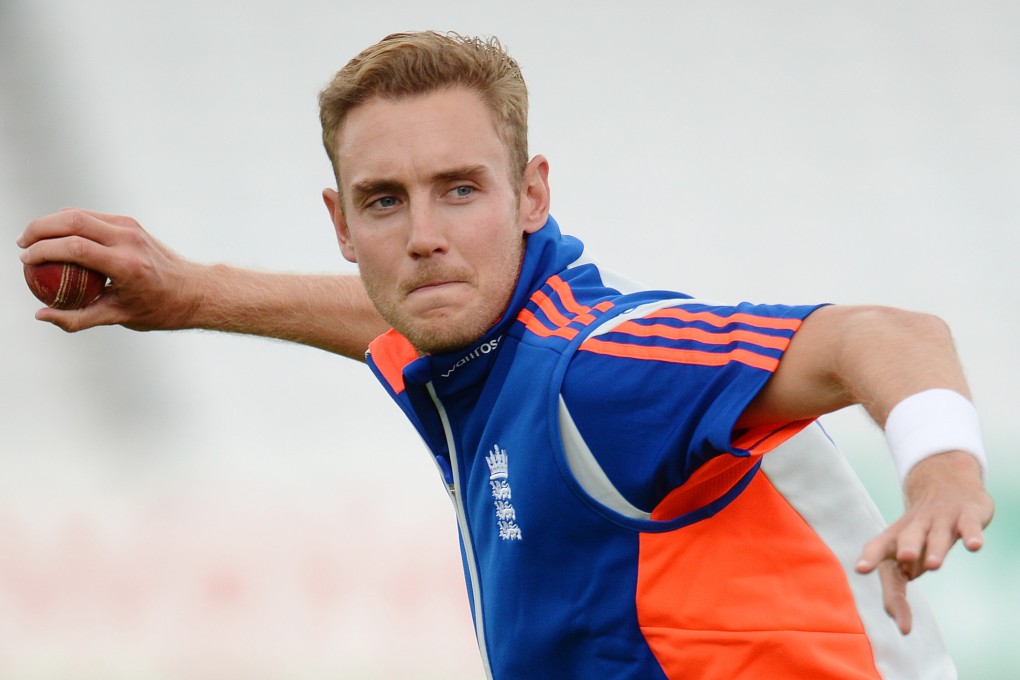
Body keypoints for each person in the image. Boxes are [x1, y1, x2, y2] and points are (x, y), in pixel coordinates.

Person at [18, 31, 993, 679]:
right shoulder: (471, 354)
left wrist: (942, 467)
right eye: (385, 200)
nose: (424, 234)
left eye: (459, 189)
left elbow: (891, 334)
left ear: (532, 195)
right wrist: (192, 293)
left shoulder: (605, 367)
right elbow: (384, 320)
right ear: (342, 223)